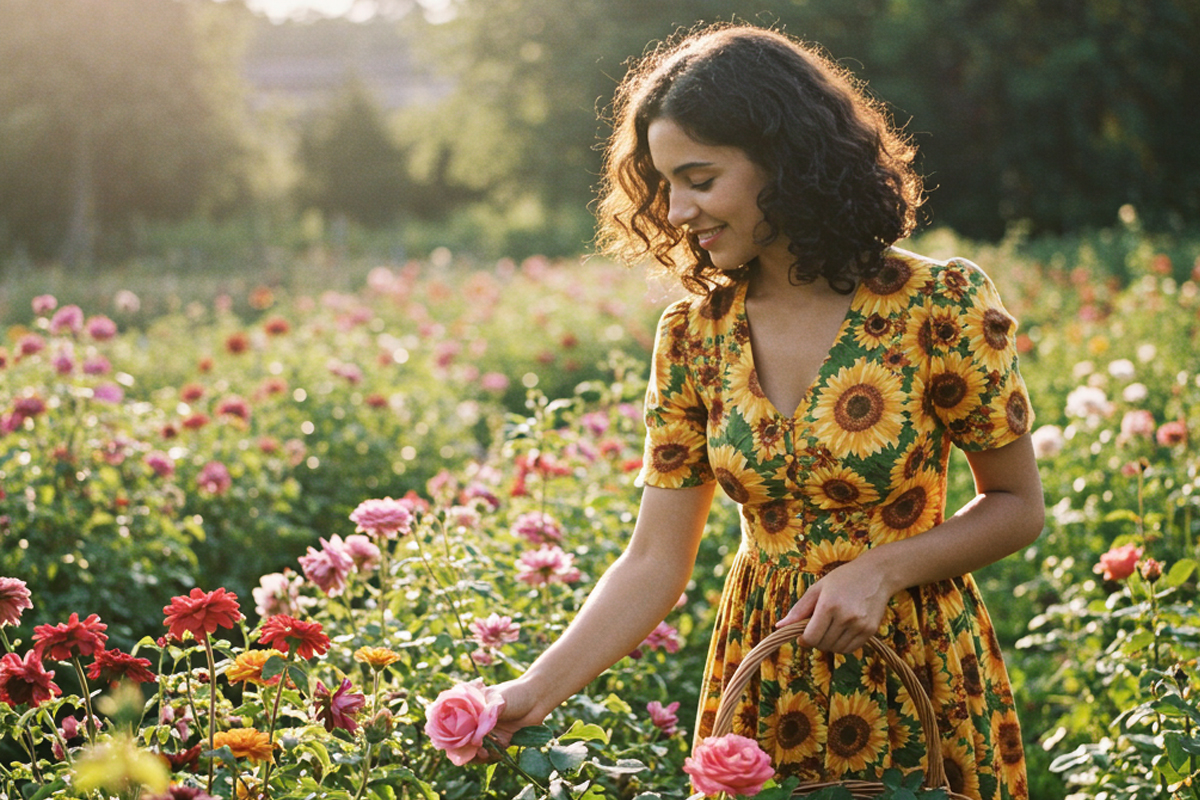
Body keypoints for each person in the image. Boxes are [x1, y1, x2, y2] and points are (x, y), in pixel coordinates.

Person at [488, 23, 1044, 800]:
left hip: (916, 663)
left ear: (785, 161)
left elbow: (1017, 505)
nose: (676, 210)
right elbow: (653, 562)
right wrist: (530, 692)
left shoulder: (939, 302)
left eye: (699, 179)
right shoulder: (693, 335)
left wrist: (881, 571)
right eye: (664, 184)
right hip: (762, 673)